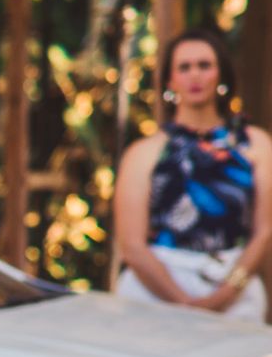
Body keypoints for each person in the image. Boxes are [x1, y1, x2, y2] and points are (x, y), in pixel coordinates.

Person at [114, 26, 272, 320]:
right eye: (184, 67)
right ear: (170, 80)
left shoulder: (255, 144)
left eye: (204, 65)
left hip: (233, 287)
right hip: (156, 290)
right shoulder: (144, 152)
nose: (195, 75)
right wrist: (182, 302)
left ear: (221, 74)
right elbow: (132, 245)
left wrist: (225, 294)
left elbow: (264, 231)